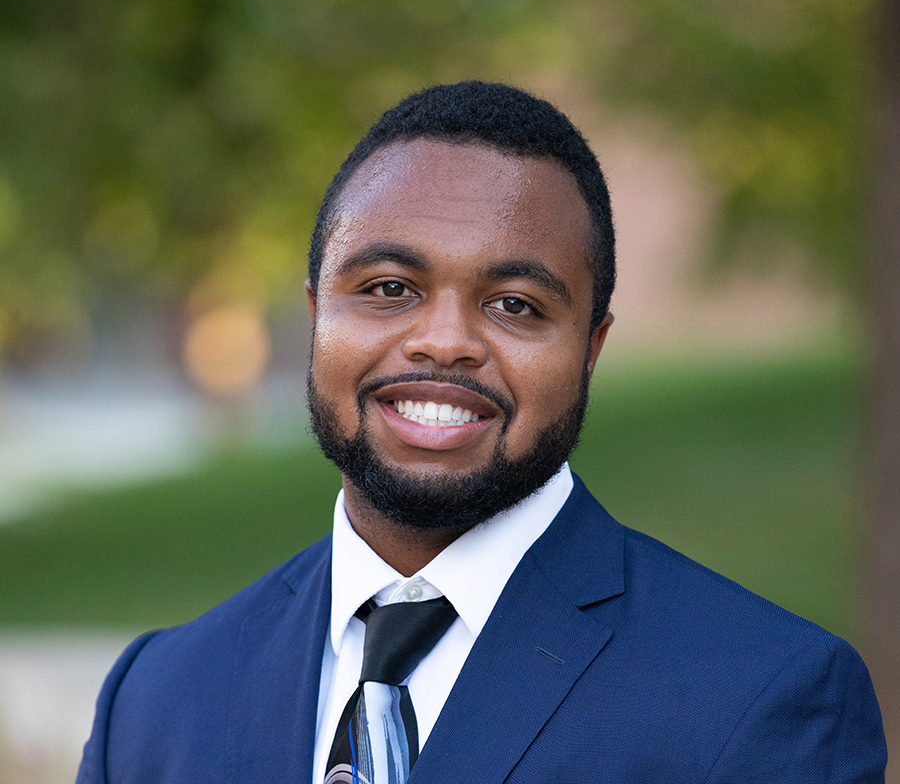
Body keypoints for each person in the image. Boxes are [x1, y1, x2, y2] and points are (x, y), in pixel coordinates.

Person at [77, 81, 886, 784]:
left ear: (590, 350)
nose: (444, 341)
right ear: (318, 313)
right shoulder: (155, 699)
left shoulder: (762, 698)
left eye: (515, 305)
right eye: (389, 288)